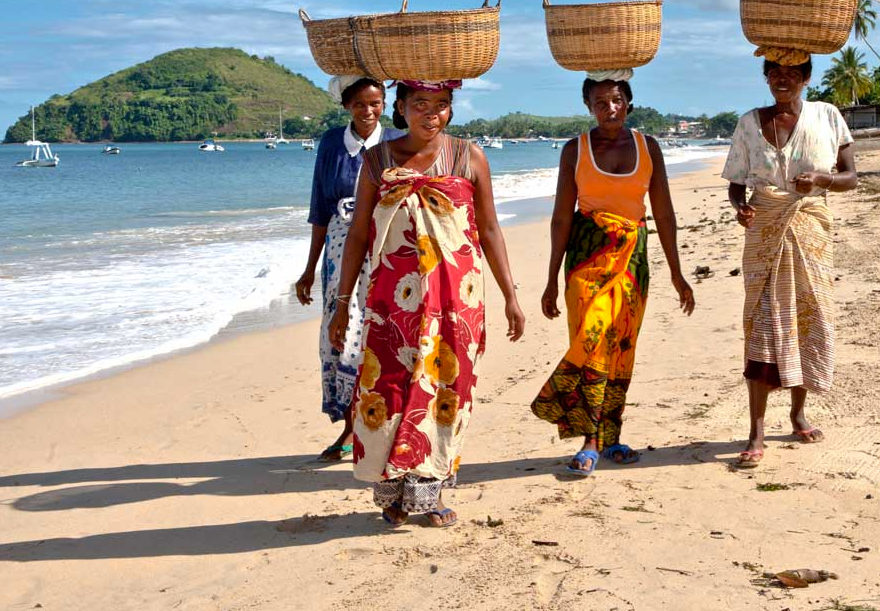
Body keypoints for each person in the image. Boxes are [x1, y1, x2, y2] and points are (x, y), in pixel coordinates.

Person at [329, 78, 525, 527]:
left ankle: (429, 493)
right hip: (391, 302)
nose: (431, 113)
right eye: (420, 104)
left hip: (457, 299)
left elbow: (490, 230)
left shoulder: (469, 156)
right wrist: (342, 304)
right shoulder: (377, 160)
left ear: (451, 110)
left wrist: (511, 296)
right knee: (390, 389)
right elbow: (359, 232)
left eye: (441, 104)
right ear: (400, 108)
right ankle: (394, 496)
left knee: (446, 391)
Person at [533, 71, 695, 477]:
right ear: (588, 107)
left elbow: (664, 212)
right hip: (587, 256)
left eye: (617, 100)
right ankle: (589, 438)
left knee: (621, 347)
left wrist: (677, 272)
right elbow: (560, 217)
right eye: (601, 102)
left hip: (633, 259)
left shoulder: (648, 147)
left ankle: (611, 435)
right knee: (590, 341)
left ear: (629, 103)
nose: (610, 109)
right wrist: (551, 278)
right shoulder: (575, 149)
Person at [722, 58, 857, 468]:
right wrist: (740, 207)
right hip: (764, 231)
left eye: (792, 74)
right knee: (762, 325)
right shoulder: (749, 123)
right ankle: (756, 431)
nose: (783, 80)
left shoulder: (828, 116)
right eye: (775, 73)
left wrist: (821, 180)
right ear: (765, 78)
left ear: (806, 79)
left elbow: (851, 177)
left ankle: (798, 414)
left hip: (811, 230)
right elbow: (735, 184)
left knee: (807, 319)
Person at [295, 76, 402, 462]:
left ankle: (380, 429)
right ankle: (348, 429)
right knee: (342, 334)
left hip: (385, 250)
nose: (369, 111)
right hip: (339, 257)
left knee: (379, 334)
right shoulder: (330, 144)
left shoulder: (395, 141)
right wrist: (309, 269)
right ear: (347, 106)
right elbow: (320, 209)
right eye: (360, 104)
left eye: (376, 103)